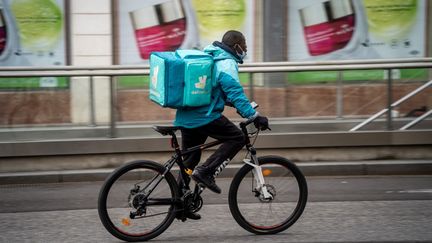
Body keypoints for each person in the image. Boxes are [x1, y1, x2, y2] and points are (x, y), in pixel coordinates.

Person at [174, 30, 270, 219]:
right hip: (204, 117)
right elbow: (234, 92)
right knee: (237, 138)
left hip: (186, 116)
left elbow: (219, 93)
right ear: (237, 47)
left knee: (189, 161)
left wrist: (243, 107)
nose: (246, 50)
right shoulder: (226, 63)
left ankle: (179, 206)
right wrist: (254, 116)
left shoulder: (210, 56)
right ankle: (206, 171)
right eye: (245, 46)